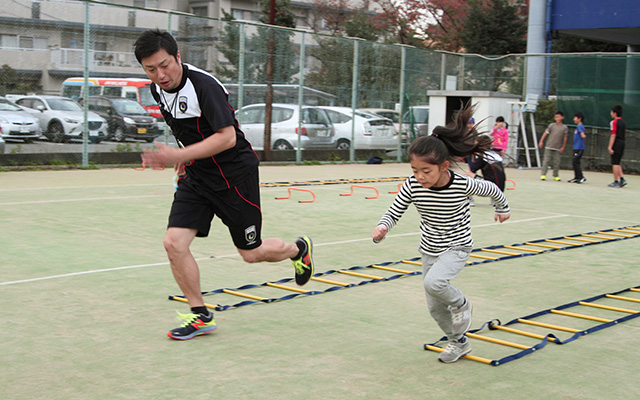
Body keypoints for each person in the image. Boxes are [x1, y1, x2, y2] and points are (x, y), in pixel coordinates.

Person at [134, 29, 315, 340]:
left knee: (251, 253)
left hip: (234, 176)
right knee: (173, 244)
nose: (160, 75)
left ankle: (298, 250)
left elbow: (226, 137)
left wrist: (179, 153)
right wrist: (184, 158)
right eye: (151, 69)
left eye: (165, 65)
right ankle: (200, 315)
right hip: (198, 177)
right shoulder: (157, 90)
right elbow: (185, 128)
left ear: (178, 57)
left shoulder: (205, 87)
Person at [371, 105, 511, 364]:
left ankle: (462, 304)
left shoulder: (462, 183)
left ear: (444, 166)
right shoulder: (413, 186)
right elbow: (395, 210)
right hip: (429, 248)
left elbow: (492, 188)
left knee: (434, 284)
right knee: (435, 307)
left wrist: (502, 208)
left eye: (426, 171)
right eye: (415, 170)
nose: (420, 177)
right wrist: (383, 227)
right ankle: (458, 342)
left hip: (457, 246)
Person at [538, 111, 568, 181]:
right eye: (556, 117)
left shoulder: (564, 127)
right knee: (546, 160)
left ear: (562, 117)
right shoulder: (551, 125)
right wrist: (541, 141)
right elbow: (545, 133)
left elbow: (565, 138)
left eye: (558, 117)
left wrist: (563, 146)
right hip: (549, 145)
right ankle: (543, 174)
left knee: (557, 162)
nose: (557, 118)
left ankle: (555, 175)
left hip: (557, 147)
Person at [607, 105, 627, 188]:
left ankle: (616, 181)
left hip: (616, 143)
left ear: (615, 113)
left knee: (614, 163)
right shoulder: (623, 122)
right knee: (617, 162)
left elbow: (613, 135)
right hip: (622, 142)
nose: (611, 113)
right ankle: (622, 179)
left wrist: (610, 146)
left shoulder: (613, 122)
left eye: (611, 112)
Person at [569, 112, 587, 184]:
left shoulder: (580, 126)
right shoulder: (578, 126)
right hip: (576, 147)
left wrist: (583, 135)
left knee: (575, 162)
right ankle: (576, 177)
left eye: (575, 118)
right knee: (575, 162)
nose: (574, 119)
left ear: (579, 119)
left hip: (579, 148)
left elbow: (582, 134)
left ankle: (581, 177)